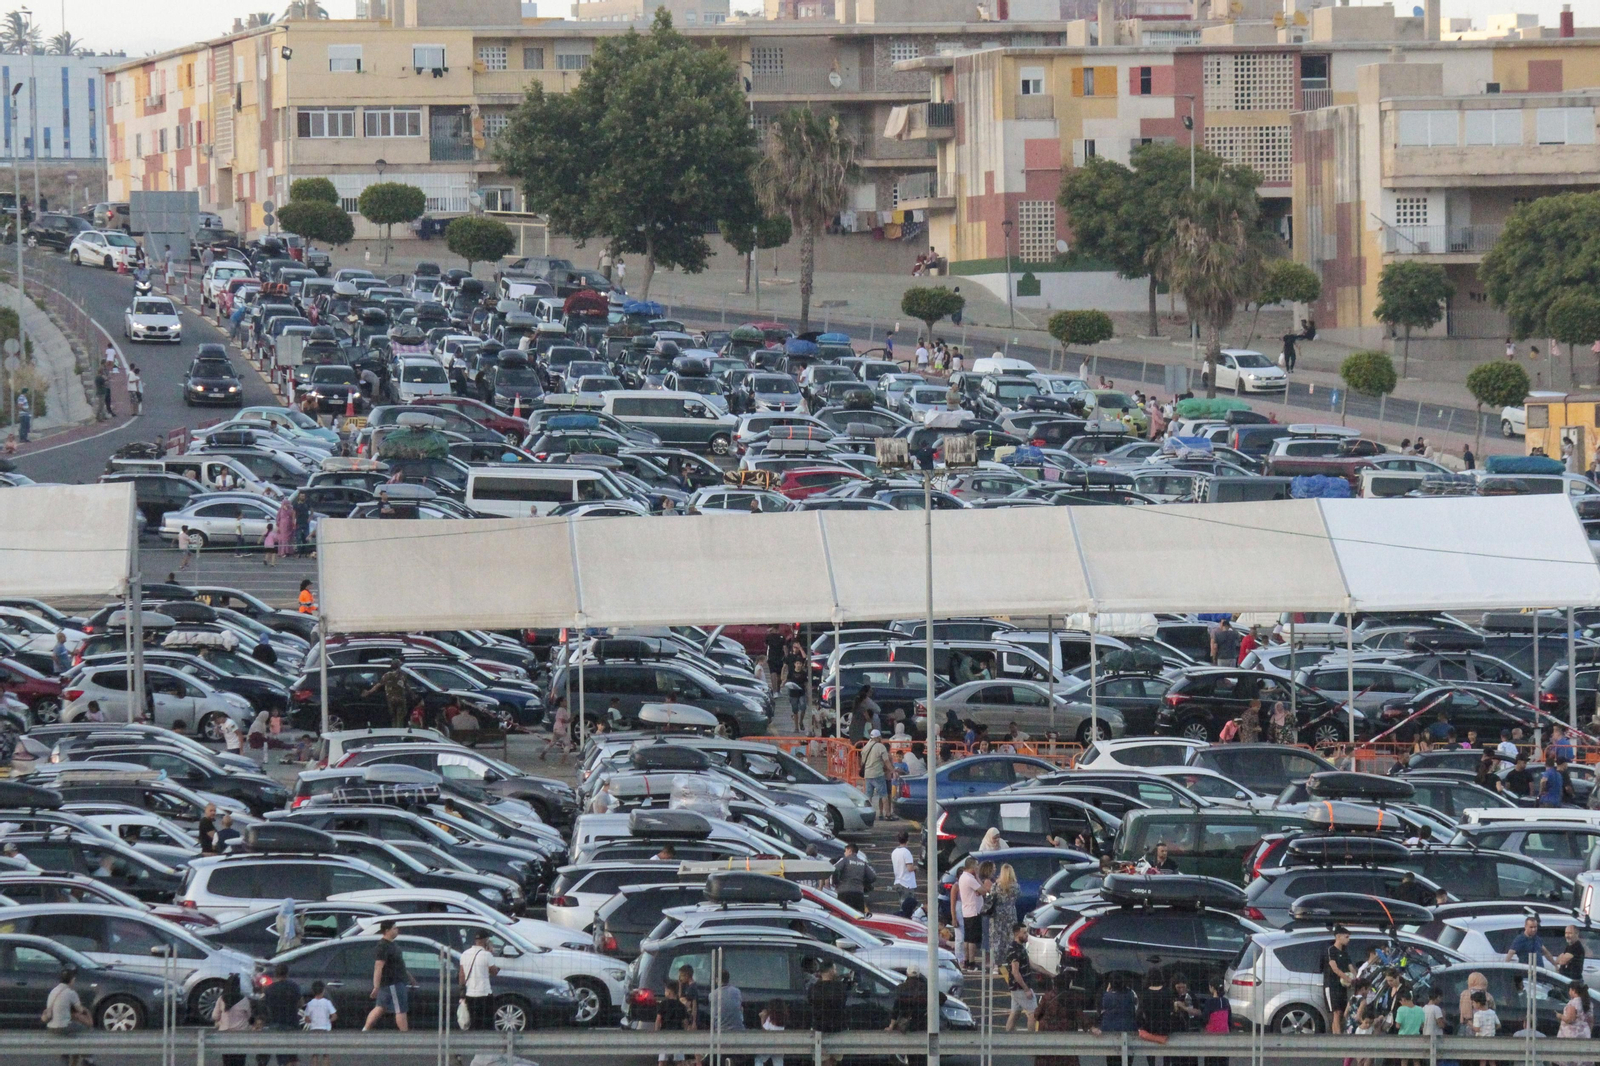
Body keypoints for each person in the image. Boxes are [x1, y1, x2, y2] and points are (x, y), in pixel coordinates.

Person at [363, 920, 418, 1031]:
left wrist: (409, 977)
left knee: (380, 1008)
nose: (397, 930)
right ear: (387, 931)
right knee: (400, 1009)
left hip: (396, 981)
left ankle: (365, 1029)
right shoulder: (383, 946)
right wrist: (376, 986)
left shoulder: (392, 944)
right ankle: (404, 1034)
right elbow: (378, 967)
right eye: (394, 928)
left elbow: (398, 963)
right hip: (393, 983)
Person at [44, 967, 93, 1065]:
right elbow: (80, 1010)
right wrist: (86, 1011)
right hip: (63, 1027)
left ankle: (66, 1059)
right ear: (72, 980)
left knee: (71, 1039)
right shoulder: (71, 993)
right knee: (86, 1031)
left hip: (50, 1027)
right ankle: (88, 1059)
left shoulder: (53, 991)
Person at [261, 962, 303, 1066]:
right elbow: (301, 1003)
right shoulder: (294, 987)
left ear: (275, 974)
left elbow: (265, 1005)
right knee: (292, 1054)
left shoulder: (270, 989)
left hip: (275, 1022)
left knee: (281, 1054)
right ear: (287, 973)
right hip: (292, 1022)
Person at [808, 961, 848, 1066]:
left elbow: (810, 1003)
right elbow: (843, 1003)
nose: (836, 971)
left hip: (819, 1029)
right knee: (835, 1060)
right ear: (830, 971)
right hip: (838, 1028)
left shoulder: (813, 988)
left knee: (823, 1060)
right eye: (834, 969)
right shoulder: (840, 987)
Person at [460, 928, 499, 1031]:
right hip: (484, 994)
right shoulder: (487, 955)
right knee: (487, 1023)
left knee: (473, 1022)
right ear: (485, 941)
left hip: (470, 994)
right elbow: (494, 972)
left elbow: (461, 974)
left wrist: (462, 991)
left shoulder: (465, 954)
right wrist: (490, 951)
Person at [212, 976, 254, 1066]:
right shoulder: (244, 1000)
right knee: (240, 1059)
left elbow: (215, 1016)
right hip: (241, 1034)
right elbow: (249, 1016)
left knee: (227, 1060)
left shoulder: (222, 999)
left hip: (225, 1034)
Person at [1137, 968, 1176, 1062]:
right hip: (1165, 1027)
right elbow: (1172, 1010)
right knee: (1167, 1049)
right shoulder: (1167, 992)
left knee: (1150, 1050)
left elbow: (1141, 1012)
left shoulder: (1145, 993)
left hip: (1150, 1026)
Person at [957, 856, 987, 970]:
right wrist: (978, 876)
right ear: (973, 866)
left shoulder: (963, 877)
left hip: (967, 910)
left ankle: (967, 961)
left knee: (968, 938)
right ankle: (972, 962)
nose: (978, 867)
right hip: (973, 911)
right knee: (972, 940)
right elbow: (983, 890)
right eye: (977, 865)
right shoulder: (970, 878)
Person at [361, 659, 410, 730]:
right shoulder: (402, 675)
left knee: (393, 717)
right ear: (399, 666)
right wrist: (413, 694)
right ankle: (399, 731)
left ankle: (394, 730)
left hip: (390, 699)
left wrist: (369, 692)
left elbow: (378, 685)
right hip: (401, 699)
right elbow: (407, 686)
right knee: (400, 718)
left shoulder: (387, 675)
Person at [1004, 923, 1036, 1031]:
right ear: (1017, 933)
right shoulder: (1015, 950)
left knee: (1015, 1014)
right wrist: (1026, 989)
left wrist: (1049, 973)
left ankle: (1006, 1037)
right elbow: (1015, 972)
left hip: (1016, 988)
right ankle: (1032, 1041)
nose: (1027, 935)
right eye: (1025, 932)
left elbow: (1031, 964)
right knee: (1033, 1013)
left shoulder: (1020, 947)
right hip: (1020, 988)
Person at [1325, 925, 1354, 1034]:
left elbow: (1351, 967)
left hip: (1342, 986)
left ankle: (1337, 1033)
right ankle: (1337, 1036)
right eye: (1346, 937)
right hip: (1332, 985)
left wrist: (1356, 978)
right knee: (1336, 1012)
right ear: (1338, 936)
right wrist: (1348, 979)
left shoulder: (1345, 952)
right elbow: (1335, 968)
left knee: (1341, 1012)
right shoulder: (1331, 950)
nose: (1348, 940)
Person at [832, 842, 874, 912]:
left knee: (843, 914)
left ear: (849, 851)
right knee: (858, 916)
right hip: (858, 893)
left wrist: (836, 882)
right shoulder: (862, 862)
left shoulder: (845, 860)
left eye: (845, 851)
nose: (844, 853)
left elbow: (834, 869)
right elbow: (872, 877)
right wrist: (863, 883)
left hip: (844, 892)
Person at [861, 729, 893, 820]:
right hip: (878, 774)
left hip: (867, 774)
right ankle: (887, 814)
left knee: (868, 796)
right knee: (883, 795)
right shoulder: (881, 747)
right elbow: (886, 761)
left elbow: (862, 761)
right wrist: (892, 770)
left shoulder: (866, 747)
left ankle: (867, 814)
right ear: (878, 737)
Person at [304, 981, 336, 1066]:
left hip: (314, 1030)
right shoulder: (327, 1002)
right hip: (325, 1030)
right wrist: (328, 1020)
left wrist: (311, 1020)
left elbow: (306, 1018)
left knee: (314, 1054)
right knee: (326, 1054)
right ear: (323, 990)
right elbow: (334, 1016)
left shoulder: (310, 1004)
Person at [656, 981, 689, 1063]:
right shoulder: (681, 1005)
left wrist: (656, 1032)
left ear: (669, 992)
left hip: (665, 1034)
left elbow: (658, 1020)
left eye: (665, 990)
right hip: (678, 1034)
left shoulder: (663, 1004)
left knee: (662, 1059)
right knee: (679, 1060)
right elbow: (685, 1022)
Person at [1558, 980, 1591, 1062]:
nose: (1569, 992)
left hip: (1572, 1035)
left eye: (1569, 989)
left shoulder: (1573, 1003)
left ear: (1573, 990)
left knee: (1570, 1059)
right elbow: (1591, 1020)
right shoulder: (1586, 1002)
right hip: (1583, 1033)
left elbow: (1569, 1019)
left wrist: (1560, 1016)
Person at [891, 829, 918, 919]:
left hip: (898, 881)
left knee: (902, 905)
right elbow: (910, 868)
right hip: (907, 883)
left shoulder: (894, 852)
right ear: (907, 840)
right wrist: (916, 867)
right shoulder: (906, 852)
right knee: (908, 908)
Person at [993, 864, 1021, 944]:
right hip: (1011, 912)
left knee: (999, 936)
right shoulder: (1016, 886)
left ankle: (999, 954)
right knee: (1010, 935)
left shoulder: (996, 886)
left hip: (998, 913)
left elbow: (991, 896)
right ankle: (1010, 953)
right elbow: (1018, 896)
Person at [711, 968, 744, 1037]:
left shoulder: (712, 995)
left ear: (717, 979)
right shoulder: (737, 991)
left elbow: (713, 1014)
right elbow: (740, 1007)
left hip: (721, 1029)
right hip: (738, 1028)